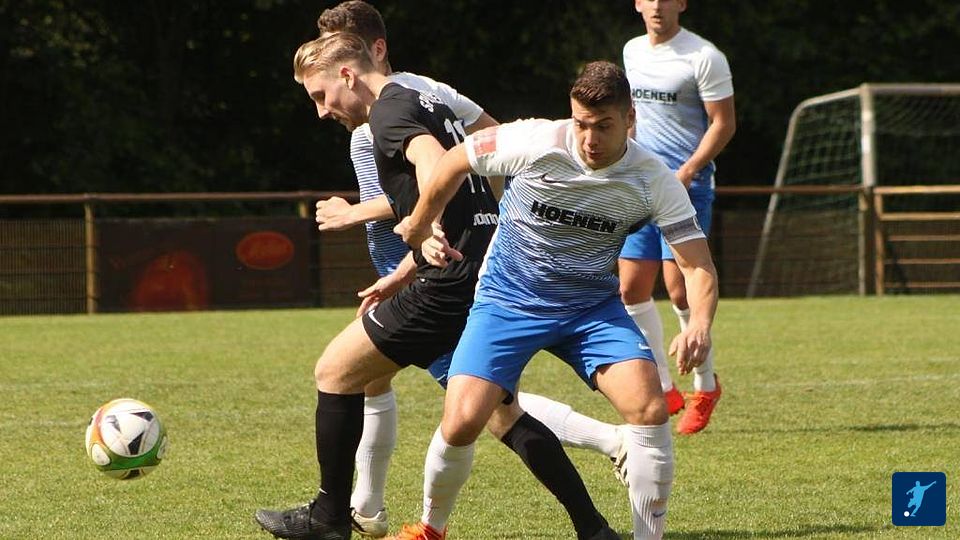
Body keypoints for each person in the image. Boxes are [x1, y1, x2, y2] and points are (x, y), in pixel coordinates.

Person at [254, 32, 618, 540]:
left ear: (347, 75)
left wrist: (424, 225)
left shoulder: (387, 112)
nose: (321, 111)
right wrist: (404, 268)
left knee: (335, 371)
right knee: (501, 414)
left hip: (446, 284)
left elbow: (431, 162)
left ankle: (329, 518)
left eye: (321, 95)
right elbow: (464, 177)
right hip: (475, 270)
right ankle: (594, 528)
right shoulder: (425, 99)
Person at [395, 61, 719, 540]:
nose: (589, 139)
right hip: (508, 299)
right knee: (462, 422)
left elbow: (697, 266)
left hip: (591, 308)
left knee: (649, 409)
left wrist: (699, 325)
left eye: (604, 126)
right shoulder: (533, 140)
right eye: (581, 123)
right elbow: (455, 160)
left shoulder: (653, 179)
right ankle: (430, 529)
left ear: (630, 119)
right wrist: (421, 223)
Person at [618, 0, 736, 434]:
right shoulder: (632, 50)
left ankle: (705, 387)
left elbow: (723, 123)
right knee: (630, 288)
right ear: (637, 3)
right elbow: (631, 118)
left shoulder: (704, 56)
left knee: (679, 290)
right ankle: (665, 389)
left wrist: (687, 171)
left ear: (681, 4)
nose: (657, 6)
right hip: (641, 183)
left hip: (687, 186)